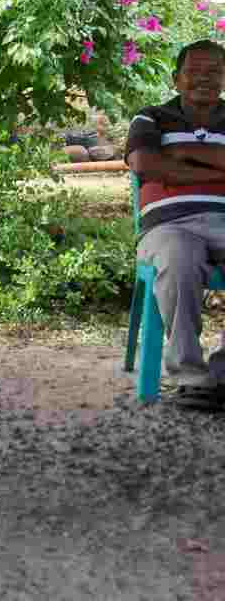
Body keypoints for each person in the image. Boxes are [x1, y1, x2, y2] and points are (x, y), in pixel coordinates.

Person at [127, 39, 225, 399]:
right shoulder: (151, 117)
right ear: (176, 79)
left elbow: (164, 165)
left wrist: (182, 153)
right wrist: (217, 164)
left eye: (214, 71)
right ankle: (191, 378)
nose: (205, 78)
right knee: (178, 257)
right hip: (169, 225)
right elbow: (145, 164)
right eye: (194, 71)